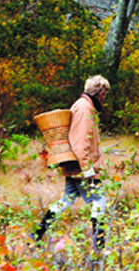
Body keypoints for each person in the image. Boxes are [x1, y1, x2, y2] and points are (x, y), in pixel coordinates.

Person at [33, 75, 110, 249]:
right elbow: (80, 141)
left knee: (66, 201)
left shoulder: (82, 105)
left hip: (73, 166)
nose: (104, 98)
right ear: (99, 93)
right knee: (99, 202)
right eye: (104, 94)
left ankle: (37, 234)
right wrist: (87, 169)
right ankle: (99, 246)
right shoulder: (85, 109)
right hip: (82, 168)